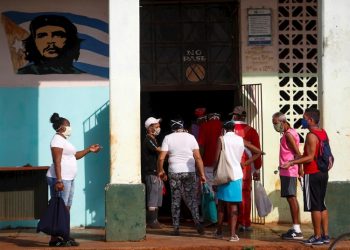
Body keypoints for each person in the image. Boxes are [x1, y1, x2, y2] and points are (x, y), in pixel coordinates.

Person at [47, 113, 101, 247]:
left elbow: (74, 156)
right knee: (61, 208)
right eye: (68, 126)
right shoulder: (57, 140)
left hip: (69, 178)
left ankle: (62, 235)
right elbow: (57, 161)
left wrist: (89, 149)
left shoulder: (64, 140)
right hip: (60, 178)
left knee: (66, 207)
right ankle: (59, 237)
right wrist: (59, 181)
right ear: (61, 127)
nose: (70, 128)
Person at [281, 108, 330, 245]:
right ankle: (325, 235)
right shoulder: (322, 132)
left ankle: (317, 236)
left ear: (311, 120)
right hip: (323, 172)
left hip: (312, 173)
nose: (303, 120)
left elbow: (309, 157)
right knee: (322, 204)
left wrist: (292, 162)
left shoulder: (311, 135)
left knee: (315, 206)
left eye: (305, 118)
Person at [213, 120, 263, 242]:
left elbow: (216, 159)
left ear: (224, 129)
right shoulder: (240, 140)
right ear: (234, 129)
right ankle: (233, 235)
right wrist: (245, 163)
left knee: (221, 204)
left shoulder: (221, 139)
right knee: (233, 206)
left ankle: (219, 231)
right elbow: (258, 152)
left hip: (223, 174)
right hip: (236, 175)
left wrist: (214, 175)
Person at [157, 118, 206, 236]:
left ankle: (176, 228)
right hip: (189, 172)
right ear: (182, 127)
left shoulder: (168, 138)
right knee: (192, 198)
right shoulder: (191, 137)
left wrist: (161, 170)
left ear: (172, 128)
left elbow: (161, 158)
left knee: (176, 199)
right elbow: (198, 158)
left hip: (174, 172)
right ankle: (197, 222)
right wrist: (202, 174)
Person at [272, 112, 303, 240]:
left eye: (275, 123)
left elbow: (298, 154)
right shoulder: (289, 133)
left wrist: (299, 170)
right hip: (287, 171)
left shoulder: (289, 135)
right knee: (291, 198)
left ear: (282, 122)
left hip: (289, 171)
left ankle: (297, 229)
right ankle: (295, 227)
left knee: (291, 198)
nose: (274, 126)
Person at [230, 106, 262, 232]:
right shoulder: (252, 131)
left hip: (230, 166)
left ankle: (233, 224)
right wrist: (257, 169)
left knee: (230, 196)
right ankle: (245, 223)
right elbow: (257, 151)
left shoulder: (227, 130)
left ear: (235, 116)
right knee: (245, 195)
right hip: (245, 168)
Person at [18, 15, 84, 74]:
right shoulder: (23, 73)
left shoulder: (81, 76)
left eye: (58, 35)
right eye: (42, 36)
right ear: (33, 42)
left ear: (69, 40)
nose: (50, 41)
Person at [141, 117, 163, 229]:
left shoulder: (154, 139)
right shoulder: (148, 140)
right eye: (156, 126)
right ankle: (151, 221)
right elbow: (159, 151)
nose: (158, 128)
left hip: (157, 173)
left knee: (158, 197)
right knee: (152, 197)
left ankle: (155, 220)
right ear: (150, 128)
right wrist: (170, 149)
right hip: (151, 172)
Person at [197, 112, 222, 192]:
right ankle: (218, 204)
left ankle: (211, 204)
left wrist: (198, 162)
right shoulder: (223, 126)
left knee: (209, 190)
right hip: (222, 163)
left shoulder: (204, 126)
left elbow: (201, 146)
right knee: (220, 189)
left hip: (207, 163)